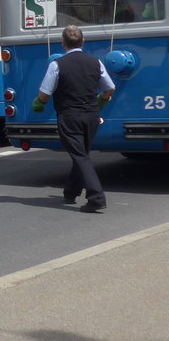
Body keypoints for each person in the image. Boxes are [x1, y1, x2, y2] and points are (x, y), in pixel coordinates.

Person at [31, 25, 116, 213]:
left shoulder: (57, 65)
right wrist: (101, 100)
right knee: (82, 154)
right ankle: (71, 192)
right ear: (83, 41)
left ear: (63, 43)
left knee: (80, 156)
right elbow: (109, 88)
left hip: (69, 115)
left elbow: (44, 95)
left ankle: (96, 197)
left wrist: (38, 103)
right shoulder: (96, 62)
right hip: (92, 115)